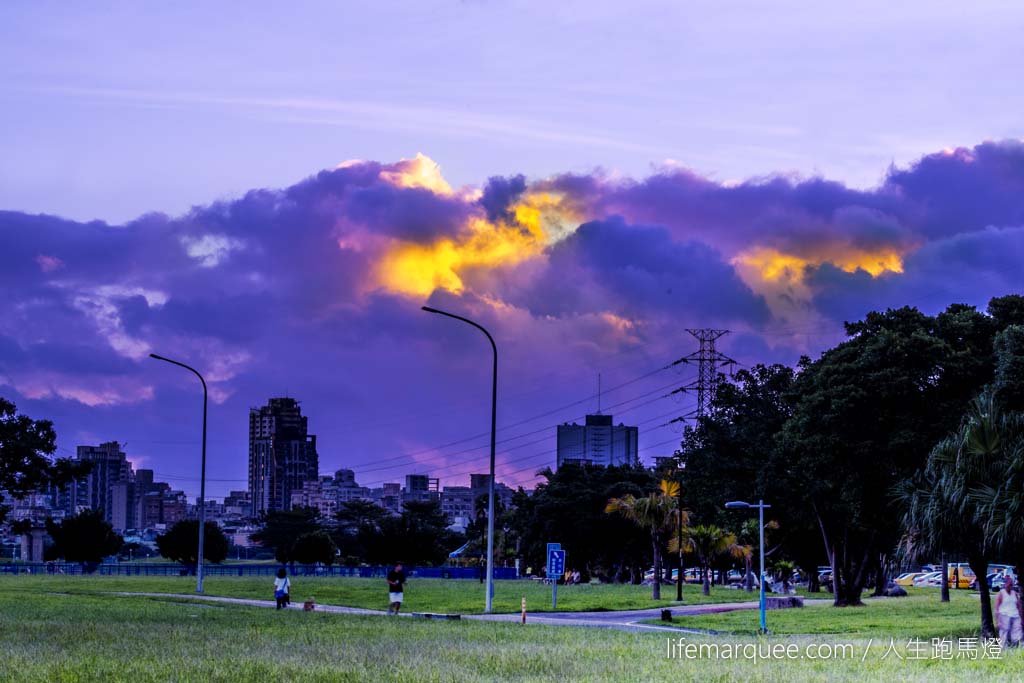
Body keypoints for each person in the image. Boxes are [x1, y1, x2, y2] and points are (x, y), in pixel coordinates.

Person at [995, 575, 1023, 647]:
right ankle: (1004, 650)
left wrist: (1022, 618)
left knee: (1018, 633)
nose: (1010, 586)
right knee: (1004, 634)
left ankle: (1018, 649)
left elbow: (1019, 606)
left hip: (1015, 615)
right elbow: (997, 608)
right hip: (1004, 615)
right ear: (1005, 584)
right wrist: (997, 621)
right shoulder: (1001, 593)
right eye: (1009, 585)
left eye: (1011, 585)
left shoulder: (1015, 593)